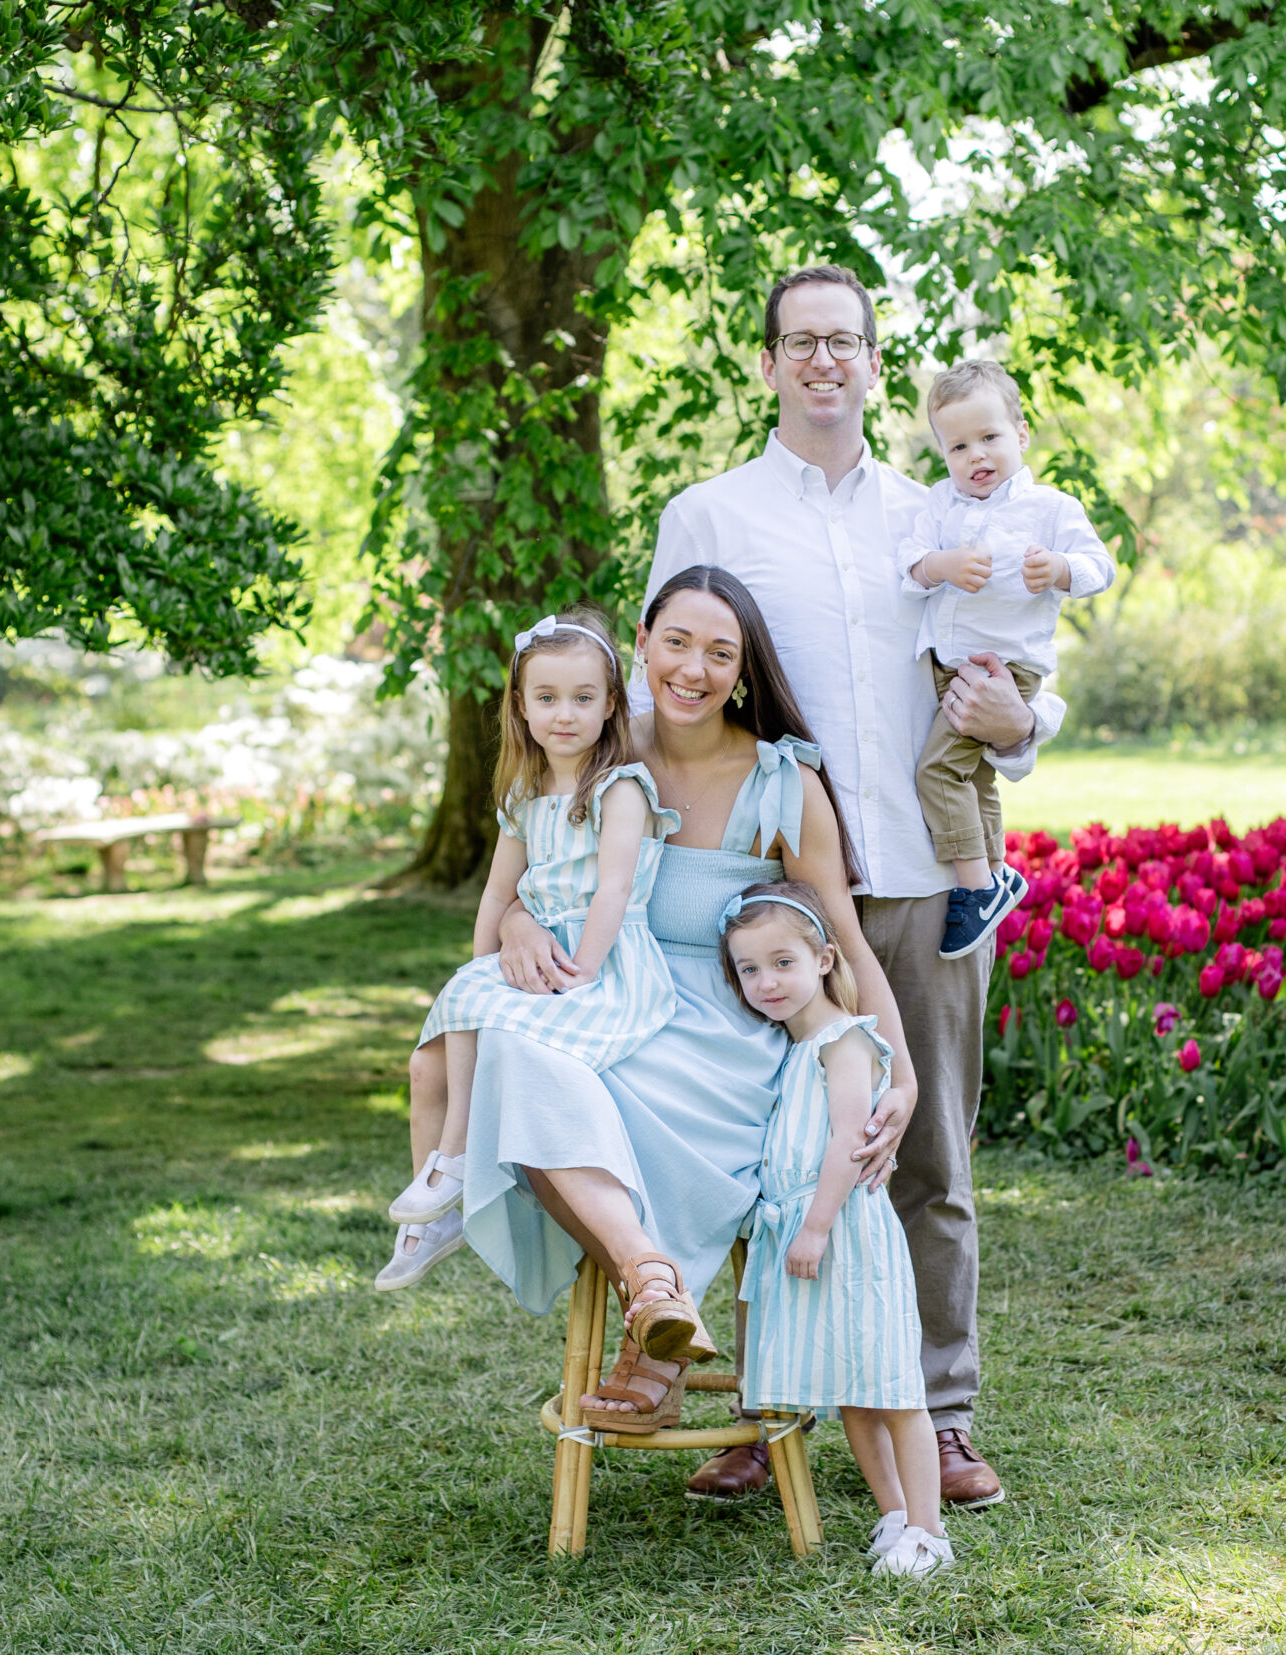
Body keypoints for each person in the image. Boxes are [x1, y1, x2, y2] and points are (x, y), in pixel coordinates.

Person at [639, 263, 1055, 1508]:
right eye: (801, 342)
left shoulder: (939, 517)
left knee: (924, 1152)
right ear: (765, 364)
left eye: (849, 342)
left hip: (924, 875)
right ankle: (768, 1413)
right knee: (766, 1152)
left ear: (875, 365)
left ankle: (943, 1416)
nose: (826, 360)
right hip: (768, 888)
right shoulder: (707, 513)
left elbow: (1024, 660)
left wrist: (1019, 728)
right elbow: (665, 684)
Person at [443, 567, 917, 1434]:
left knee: (555, 1088)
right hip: (611, 1002)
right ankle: (655, 1289)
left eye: (719, 652)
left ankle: (652, 1322)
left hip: (725, 1035)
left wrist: (903, 1069)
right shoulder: (597, 748)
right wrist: (513, 917)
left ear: (744, 671)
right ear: (643, 648)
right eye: (676, 642)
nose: (693, 668)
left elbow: (842, 937)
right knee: (515, 1054)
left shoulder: (781, 781)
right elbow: (539, 859)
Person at [381, 612, 680, 1292]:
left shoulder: (620, 788)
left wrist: (586, 972)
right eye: (546, 697)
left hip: (605, 967)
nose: (564, 714)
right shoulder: (523, 793)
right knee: (445, 1032)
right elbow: (496, 894)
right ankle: (434, 1209)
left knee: (478, 1009)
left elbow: (613, 889)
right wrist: (479, 968)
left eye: (583, 697)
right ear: (521, 704)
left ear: (611, 705)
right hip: (542, 961)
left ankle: (455, 1161)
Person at [720, 880, 950, 1578]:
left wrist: (815, 1225)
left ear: (824, 958)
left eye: (783, 962)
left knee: (891, 1386)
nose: (766, 981)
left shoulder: (843, 1039)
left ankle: (929, 1529)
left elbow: (850, 1134)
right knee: (852, 1389)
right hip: (811, 1223)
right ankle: (892, 1514)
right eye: (749, 969)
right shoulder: (790, 1049)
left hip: (846, 1229)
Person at [900, 358, 1115, 958]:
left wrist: (1061, 569)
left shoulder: (1049, 508)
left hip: (1005, 668)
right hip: (949, 663)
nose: (977, 456)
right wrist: (941, 566)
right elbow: (911, 564)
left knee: (937, 771)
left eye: (990, 438)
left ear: (1020, 434)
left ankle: (975, 891)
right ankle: (994, 871)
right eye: (958, 446)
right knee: (975, 775)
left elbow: (1101, 566)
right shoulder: (942, 503)